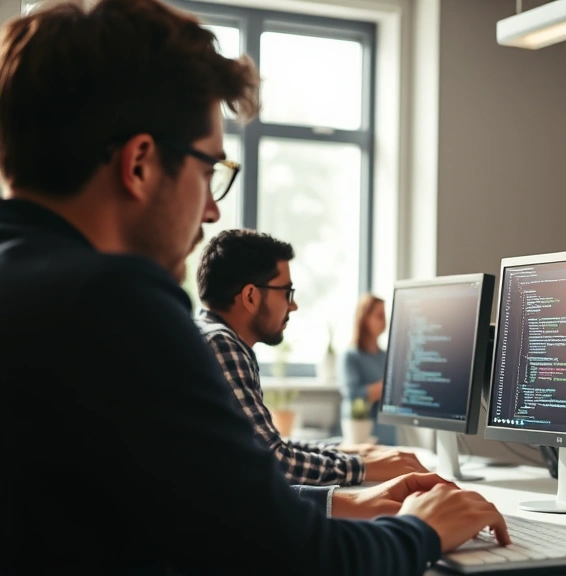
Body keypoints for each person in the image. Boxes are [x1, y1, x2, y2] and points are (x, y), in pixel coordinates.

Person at [0, 1, 508, 574]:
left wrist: (336, 502)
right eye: (207, 169)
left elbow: (197, 508)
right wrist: (423, 528)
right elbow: (297, 561)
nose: (212, 210)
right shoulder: (111, 303)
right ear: (140, 162)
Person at [195, 228, 428, 485]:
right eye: (287, 292)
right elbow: (276, 462)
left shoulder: (210, 336)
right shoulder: (221, 344)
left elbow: (268, 446)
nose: (293, 305)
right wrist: (361, 467)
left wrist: (344, 450)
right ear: (250, 296)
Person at [342, 293, 399, 445]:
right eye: (379, 315)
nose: (384, 320)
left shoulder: (387, 356)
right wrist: (383, 388)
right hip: (360, 432)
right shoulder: (351, 356)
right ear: (365, 318)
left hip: (387, 432)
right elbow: (352, 395)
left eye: (384, 315)